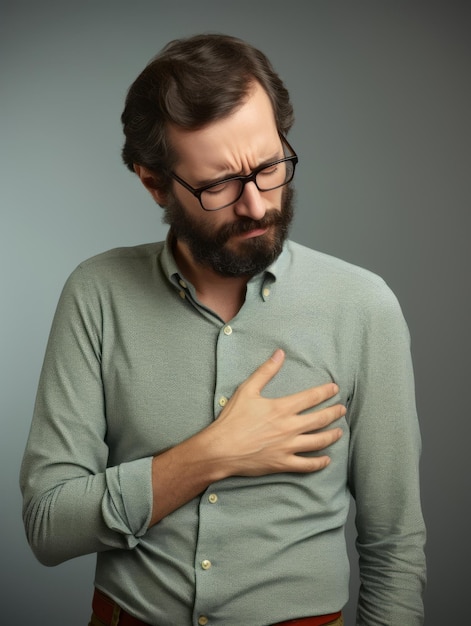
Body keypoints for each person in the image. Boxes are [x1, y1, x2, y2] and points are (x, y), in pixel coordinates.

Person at [20, 33, 426, 626]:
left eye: (269, 168)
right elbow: (48, 525)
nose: (258, 205)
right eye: (218, 185)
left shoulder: (364, 307)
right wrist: (211, 455)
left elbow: (394, 546)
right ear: (154, 183)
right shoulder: (97, 293)